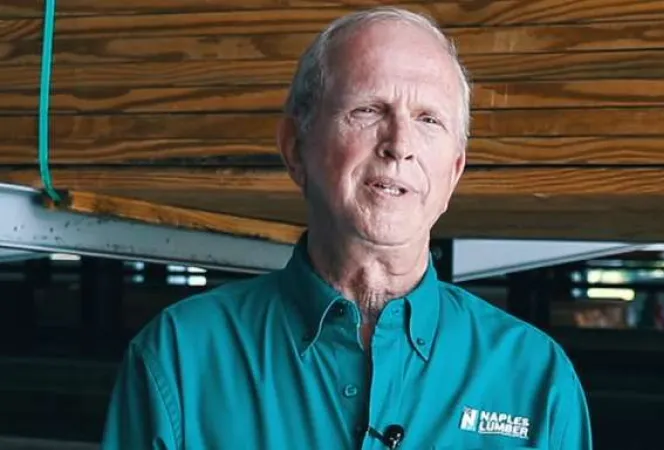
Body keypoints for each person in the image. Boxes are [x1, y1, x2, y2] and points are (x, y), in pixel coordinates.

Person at [100, 6, 592, 450]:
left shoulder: (535, 377)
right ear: (296, 148)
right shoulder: (182, 358)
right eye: (368, 110)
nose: (399, 145)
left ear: (454, 172)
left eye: (428, 120)